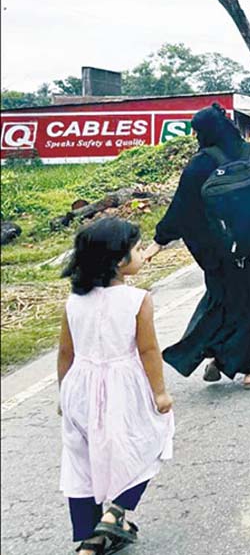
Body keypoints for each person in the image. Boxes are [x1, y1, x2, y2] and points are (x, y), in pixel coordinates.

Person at [144, 104, 250, 388]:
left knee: (226, 301)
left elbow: (183, 207)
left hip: (225, 251)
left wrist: (159, 241)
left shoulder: (201, 163)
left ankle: (219, 356)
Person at [58, 218, 174, 555]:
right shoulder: (138, 300)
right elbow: (148, 350)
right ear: (118, 262)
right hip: (123, 384)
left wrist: (63, 394)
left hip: (79, 385)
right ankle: (116, 511)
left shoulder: (72, 302)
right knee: (148, 440)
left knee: (81, 459)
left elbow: (67, 352)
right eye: (137, 250)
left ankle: (89, 541)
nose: (142, 255)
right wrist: (160, 393)